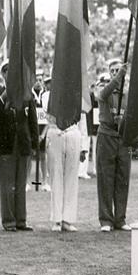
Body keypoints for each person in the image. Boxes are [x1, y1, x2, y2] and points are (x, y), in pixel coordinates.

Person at [0, 62, 39, 232]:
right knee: (6, 186)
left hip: (22, 144)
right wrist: (4, 97)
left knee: (20, 184)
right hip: (5, 145)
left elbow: (33, 120)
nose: (11, 75)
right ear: (3, 74)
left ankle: (21, 220)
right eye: (7, 72)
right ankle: (9, 220)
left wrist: (35, 142)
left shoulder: (27, 95)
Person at [95, 59, 132, 232]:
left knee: (122, 178)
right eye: (113, 70)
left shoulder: (127, 95)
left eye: (119, 70)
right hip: (106, 136)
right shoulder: (104, 89)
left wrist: (123, 121)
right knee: (105, 179)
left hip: (123, 138)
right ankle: (106, 220)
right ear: (110, 73)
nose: (117, 73)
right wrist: (119, 77)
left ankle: (120, 218)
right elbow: (102, 95)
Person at [43, 80, 82, 232]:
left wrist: (84, 147)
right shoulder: (47, 95)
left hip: (72, 132)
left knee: (71, 178)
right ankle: (56, 219)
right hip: (56, 132)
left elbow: (81, 118)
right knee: (56, 177)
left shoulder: (75, 95)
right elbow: (51, 109)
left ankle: (68, 219)